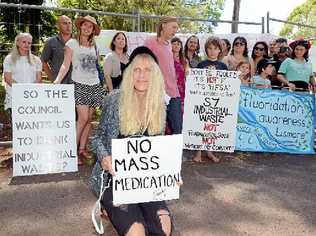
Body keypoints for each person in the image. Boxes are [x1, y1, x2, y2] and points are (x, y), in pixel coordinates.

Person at [90, 46, 175, 236]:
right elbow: (96, 138)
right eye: (137, 69)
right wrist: (104, 158)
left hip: (145, 181)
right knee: (137, 231)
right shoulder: (114, 99)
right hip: (114, 180)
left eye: (148, 70)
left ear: (156, 76)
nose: (142, 75)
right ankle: (107, 205)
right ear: (129, 73)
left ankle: (116, 210)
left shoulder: (159, 105)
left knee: (164, 227)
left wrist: (171, 174)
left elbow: (157, 151)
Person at [54, 15, 104, 165]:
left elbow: (97, 67)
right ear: (80, 26)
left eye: (91, 26)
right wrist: (57, 80)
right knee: (82, 119)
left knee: (89, 119)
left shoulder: (95, 46)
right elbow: (65, 65)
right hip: (79, 84)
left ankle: (82, 149)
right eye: (85, 25)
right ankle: (71, 152)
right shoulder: (72, 43)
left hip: (94, 85)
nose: (87, 28)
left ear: (93, 30)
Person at [144, 16, 182, 135]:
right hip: (157, 92)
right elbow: (142, 62)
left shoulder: (169, 45)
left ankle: (175, 153)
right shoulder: (150, 41)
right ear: (163, 25)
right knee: (154, 129)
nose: (175, 30)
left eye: (177, 28)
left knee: (177, 127)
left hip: (173, 93)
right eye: (173, 27)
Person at [193, 37, 228, 163]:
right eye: (210, 48)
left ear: (220, 50)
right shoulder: (201, 65)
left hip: (216, 100)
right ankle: (198, 152)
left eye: (215, 49)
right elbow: (196, 82)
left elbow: (226, 84)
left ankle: (209, 151)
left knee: (212, 126)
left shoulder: (223, 66)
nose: (212, 51)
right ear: (206, 49)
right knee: (201, 124)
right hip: (203, 99)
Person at [3, 32, 42, 112]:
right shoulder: (9, 59)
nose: (27, 44)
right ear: (17, 42)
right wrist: (22, 90)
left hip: (31, 97)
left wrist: (29, 92)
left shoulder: (36, 60)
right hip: (14, 97)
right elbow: (8, 79)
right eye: (24, 42)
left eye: (29, 43)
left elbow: (38, 79)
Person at [41, 15, 73, 84]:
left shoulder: (77, 41)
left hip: (77, 83)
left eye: (69, 23)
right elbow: (43, 61)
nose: (68, 26)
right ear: (58, 26)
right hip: (59, 83)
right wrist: (52, 78)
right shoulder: (51, 42)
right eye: (64, 23)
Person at [171, 37, 187, 114]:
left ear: (181, 47)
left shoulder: (184, 60)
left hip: (182, 89)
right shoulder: (167, 58)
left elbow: (187, 74)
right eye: (174, 44)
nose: (176, 46)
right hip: (170, 87)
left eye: (178, 44)